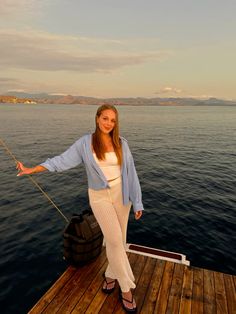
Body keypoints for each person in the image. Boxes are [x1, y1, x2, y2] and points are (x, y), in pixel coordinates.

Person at [16, 104, 144, 313]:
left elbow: (132, 173)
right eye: (105, 118)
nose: (108, 123)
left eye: (112, 120)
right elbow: (61, 161)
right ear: (97, 118)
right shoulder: (85, 143)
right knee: (113, 240)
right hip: (99, 197)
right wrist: (33, 169)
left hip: (123, 196)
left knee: (119, 241)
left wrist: (137, 201)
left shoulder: (122, 143)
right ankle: (127, 288)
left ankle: (110, 276)